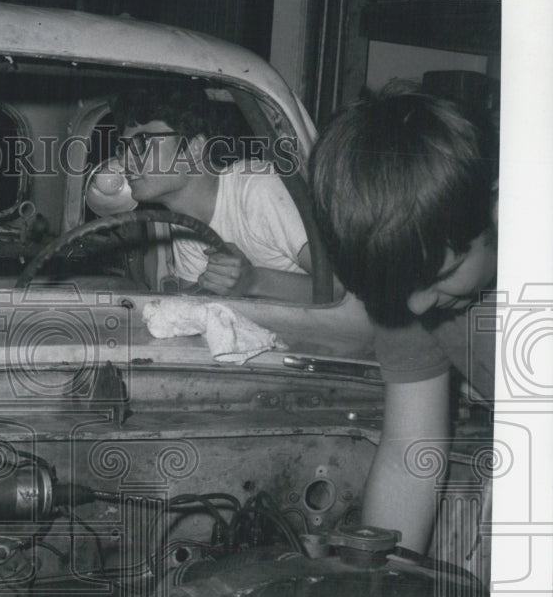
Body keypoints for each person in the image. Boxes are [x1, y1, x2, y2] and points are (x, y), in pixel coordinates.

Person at [309, 82, 498, 555]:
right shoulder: (408, 287)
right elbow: (412, 457)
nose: (416, 308)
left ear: (499, 205)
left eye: (443, 274)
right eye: (401, 289)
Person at [107, 82, 318, 302]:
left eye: (142, 142)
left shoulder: (259, 189)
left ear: (195, 148)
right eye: (123, 147)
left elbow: (345, 292)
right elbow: (195, 302)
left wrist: (254, 281)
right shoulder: (183, 219)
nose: (124, 160)